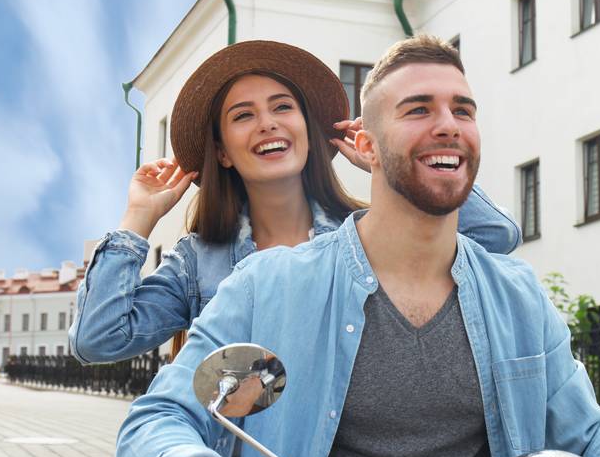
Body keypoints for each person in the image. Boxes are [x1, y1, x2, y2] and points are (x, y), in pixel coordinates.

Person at [116, 36, 600, 457]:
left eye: (462, 111)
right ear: (363, 144)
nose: (447, 127)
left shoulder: (517, 294)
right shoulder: (269, 284)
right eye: (418, 109)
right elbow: (154, 425)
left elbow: (585, 437)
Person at [68, 40, 520, 366]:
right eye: (243, 115)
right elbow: (98, 340)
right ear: (222, 151)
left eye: (283, 107)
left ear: (308, 129)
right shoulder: (198, 262)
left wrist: (387, 158)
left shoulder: (365, 233)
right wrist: (137, 219)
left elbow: (493, 238)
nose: (267, 124)